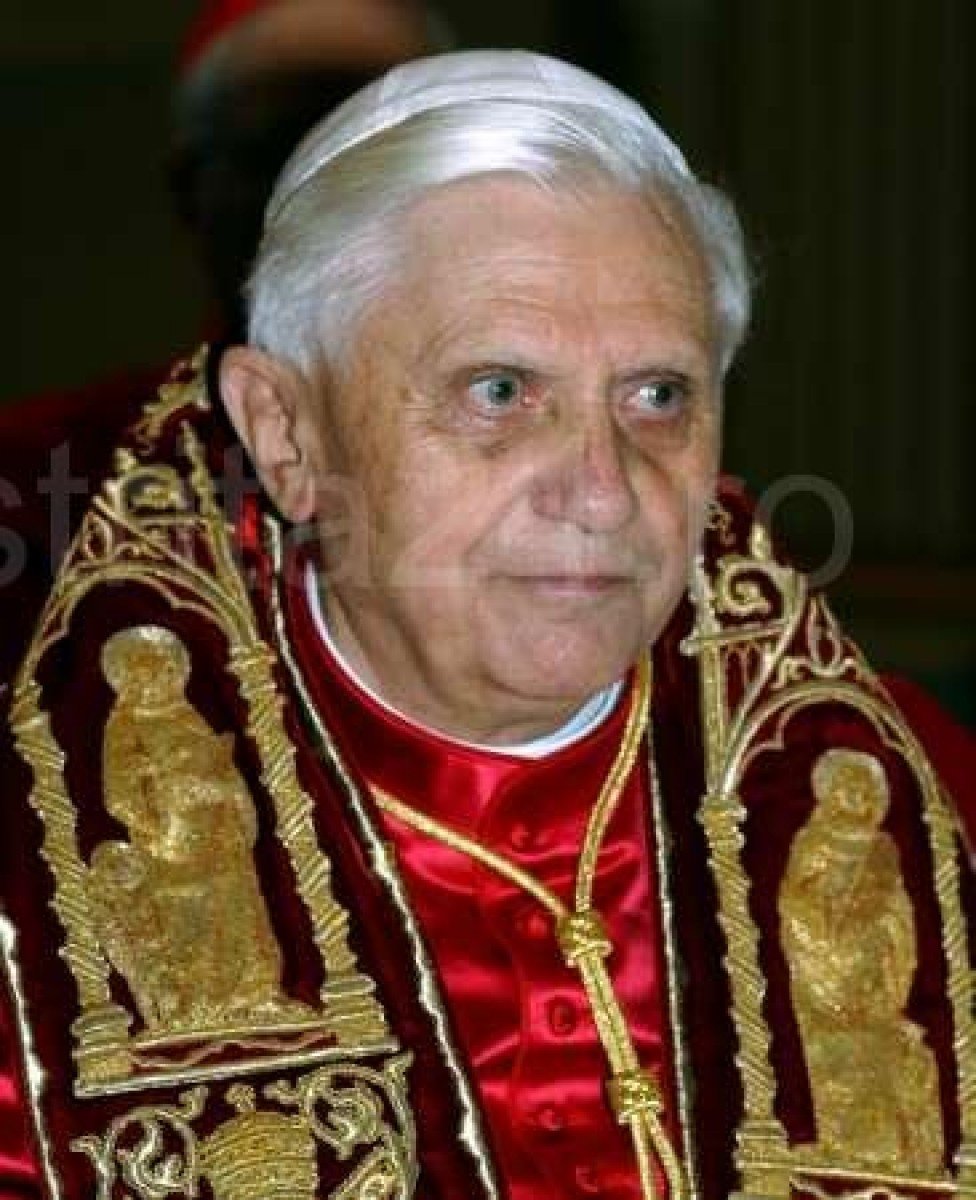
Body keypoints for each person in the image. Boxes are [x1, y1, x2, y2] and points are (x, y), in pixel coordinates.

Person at [0, 49, 973, 1200]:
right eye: (499, 392)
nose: (602, 492)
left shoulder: (925, 797)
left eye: (657, 396)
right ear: (286, 434)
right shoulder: (30, 883)